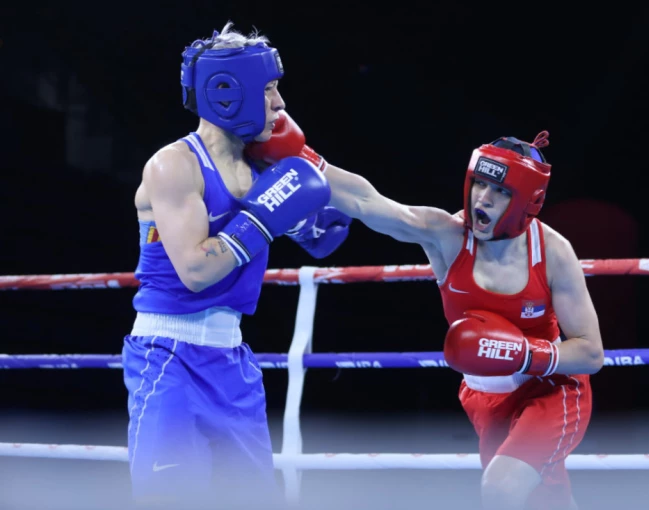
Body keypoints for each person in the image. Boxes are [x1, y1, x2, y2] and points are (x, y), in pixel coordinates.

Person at [246, 114, 604, 510]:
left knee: (502, 488)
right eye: (479, 183)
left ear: (527, 200)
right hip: (485, 396)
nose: (482, 199)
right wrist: (300, 156)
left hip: (553, 390)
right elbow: (368, 202)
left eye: (499, 190)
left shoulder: (552, 253)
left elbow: (591, 353)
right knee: (544, 499)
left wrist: (522, 354)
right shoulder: (446, 236)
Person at [122, 23, 351, 509]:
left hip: (233, 360)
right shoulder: (173, 165)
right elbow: (196, 271)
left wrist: (435, 226)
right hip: (168, 354)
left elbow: (347, 217)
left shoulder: (263, 166)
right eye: (268, 89)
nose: (280, 103)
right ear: (228, 91)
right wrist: (265, 218)